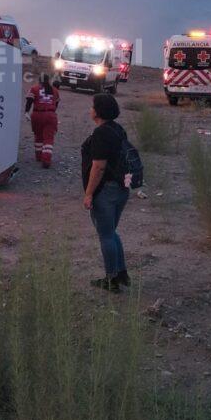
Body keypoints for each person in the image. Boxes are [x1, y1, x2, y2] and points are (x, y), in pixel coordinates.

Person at [81, 92, 131, 292]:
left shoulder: (101, 134)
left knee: (106, 235)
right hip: (121, 189)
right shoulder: (118, 129)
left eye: (92, 106)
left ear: (99, 111)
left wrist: (89, 193)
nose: (90, 110)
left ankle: (112, 280)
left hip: (106, 191)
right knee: (111, 232)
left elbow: (99, 167)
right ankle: (121, 273)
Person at [25, 72, 60, 168]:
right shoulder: (55, 90)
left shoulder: (34, 89)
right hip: (50, 115)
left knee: (38, 136)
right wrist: (51, 113)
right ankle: (46, 160)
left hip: (37, 115)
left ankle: (38, 156)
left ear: (39, 80)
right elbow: (56, 104)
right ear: (48, 80)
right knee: (48, 138)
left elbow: (29, 101)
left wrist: (26, 112)